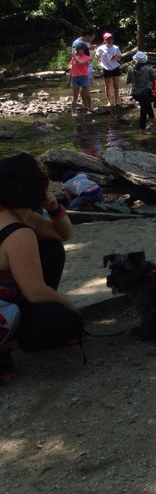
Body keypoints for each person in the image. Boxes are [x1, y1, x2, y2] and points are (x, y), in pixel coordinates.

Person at [0, 153, 85, 383]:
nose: (45, 175)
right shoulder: (18, 232)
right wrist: (67, 304)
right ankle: (5, 347)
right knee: (68, 321)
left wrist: (55, 207)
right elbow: (35, 292)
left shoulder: (16, 215)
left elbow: (63, 234)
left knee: (51, 248)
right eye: (41, 173)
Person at [126, 51, 156, 134]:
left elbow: (127, 82)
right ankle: (142, 130)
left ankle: (152, 121)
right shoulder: (149, 69)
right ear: (145, 60)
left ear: (135, 60)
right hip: (145, 93)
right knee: (143, 111)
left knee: (147, 104)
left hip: (135, 93)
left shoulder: (131, 69)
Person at [95, 32, 123, 107]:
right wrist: (100, 63)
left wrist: (115, 58)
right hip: (106, 68)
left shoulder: (116, 48)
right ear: (104, 40)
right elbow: (97, 56)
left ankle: (116, 102)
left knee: (116, 86)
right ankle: (109, 102)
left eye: (111, 38)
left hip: (115, 67)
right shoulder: (100, 48)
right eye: (108, 39)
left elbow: (120, 58)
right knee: (107, 86)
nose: (109, 40)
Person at [69, 42, 93, 114]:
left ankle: (89, 108)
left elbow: (80, 63)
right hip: (75, 78)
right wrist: (69, 79)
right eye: (77, 49)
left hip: (84, 77)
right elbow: (71, 68)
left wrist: (73, 57)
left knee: (87, 94)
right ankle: (73, 111)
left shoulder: (87, 58)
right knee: (75, 96)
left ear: (83, 50)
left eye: (79, 49)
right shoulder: (74, 59)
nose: (78, 51)